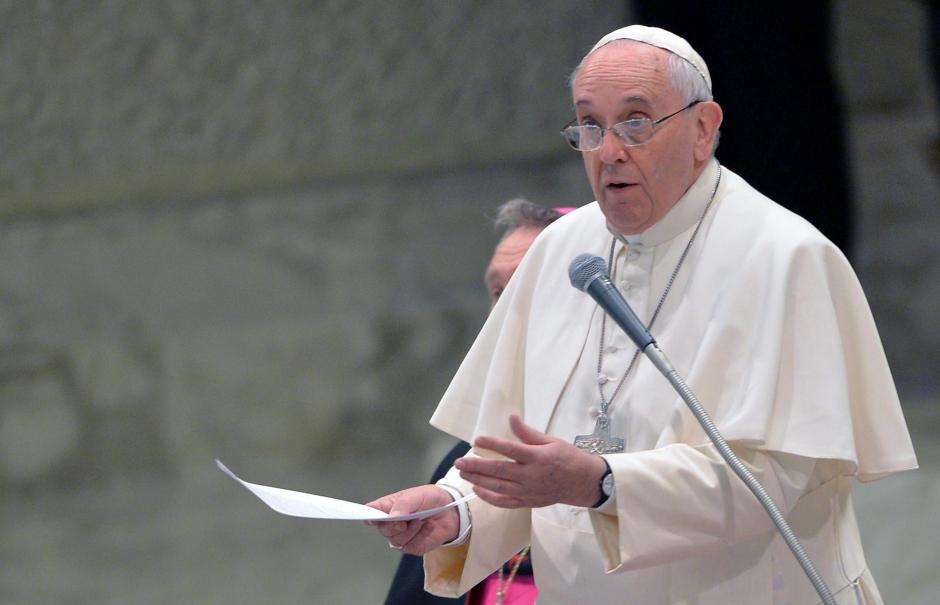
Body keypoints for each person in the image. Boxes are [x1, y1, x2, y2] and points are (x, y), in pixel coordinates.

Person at [368, 25, 917, 604]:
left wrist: (601, 483)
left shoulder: (787, 257)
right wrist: (455, 509)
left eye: (636, 122)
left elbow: (776, 477)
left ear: (703, 128)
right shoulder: (560, 251)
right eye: (590, 125)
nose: (609, 151)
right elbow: (509, 451)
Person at [384, 199, 571, 605]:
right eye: (499, 293)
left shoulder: (635, 449)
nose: (505, 315)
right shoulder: (466, 462)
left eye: (528, 289)